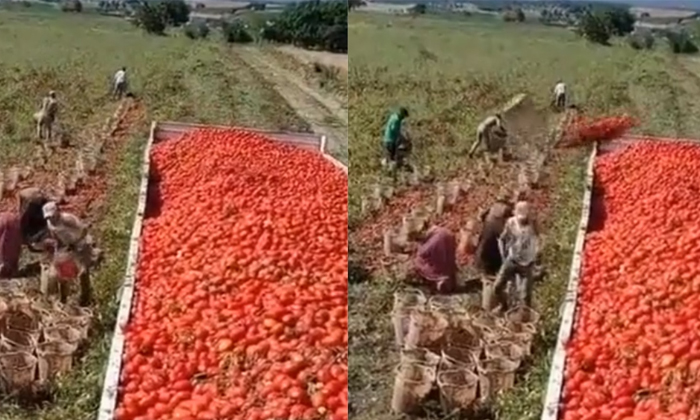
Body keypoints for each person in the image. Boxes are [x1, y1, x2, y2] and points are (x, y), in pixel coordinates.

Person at [42, 201, 93, 306]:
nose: (51, 218)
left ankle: (85, 297)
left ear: (58, 212)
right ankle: (63, 299)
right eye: (48, 217)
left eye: (52, 216)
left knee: (83, 271)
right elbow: (56, 236)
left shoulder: (68, 219)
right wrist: (58, 250)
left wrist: (76, 243)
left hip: (81, 243)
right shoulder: (49, 223)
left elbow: (84, 230)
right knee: (62, 272)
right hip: (68, 246)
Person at [492, 201, 539, 311]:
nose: (522, 219)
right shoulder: (511, 222)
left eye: (525, 216)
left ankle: (524, 317)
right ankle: (504, 305)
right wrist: (503, 255)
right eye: (520, 217)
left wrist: (537, 251)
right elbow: (502, 239)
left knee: (525, 297)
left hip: (526, 264)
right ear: (515, 213)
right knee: (497, 287)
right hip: (512, 260)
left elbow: (540, 237)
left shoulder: (533, 224)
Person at [474, 190, 514, 276]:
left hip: (487, 229)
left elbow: (481, 216)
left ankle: (480, 267)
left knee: (483, 246)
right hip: (497, 232)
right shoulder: (507, 208)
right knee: (498, 249)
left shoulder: (493, 206)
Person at [413, 226, 458, 294]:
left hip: (438, 265)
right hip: (448, 262)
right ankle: (447, 281)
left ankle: (438, 280)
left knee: (418, 262)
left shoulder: (434, 240)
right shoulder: (440, 231)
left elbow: (423, 253)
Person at [0, 212, 22, 279]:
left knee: (5, 244)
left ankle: (5, 267)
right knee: (12, 243)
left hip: (7, 219)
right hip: (14, 219)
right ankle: (10, 268)